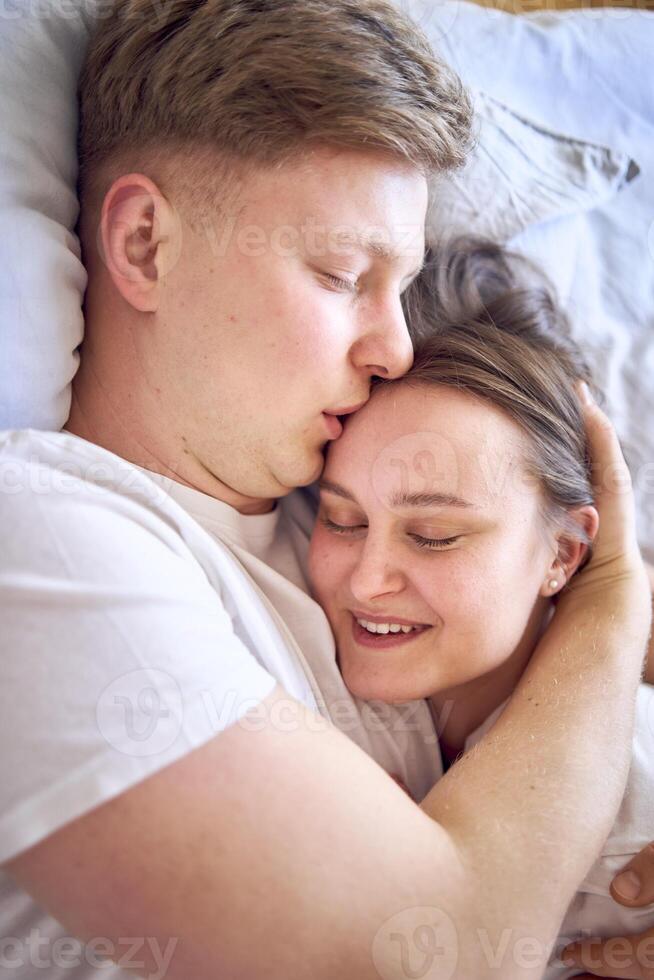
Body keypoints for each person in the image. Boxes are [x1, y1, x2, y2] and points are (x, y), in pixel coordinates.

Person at [0, 3, 650, 979]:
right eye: (344, 273)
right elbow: (433, 955)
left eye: (402, 284)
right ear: (144, 245)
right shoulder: (40, 541)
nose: (392, 345)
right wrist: (610, 597)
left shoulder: (337, 517)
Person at [308, 237, 654, 979]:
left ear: (562, 555)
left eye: (435, 537)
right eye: (341, 519)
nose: (368, 582)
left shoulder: (636, 804)